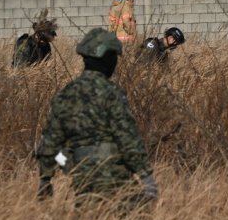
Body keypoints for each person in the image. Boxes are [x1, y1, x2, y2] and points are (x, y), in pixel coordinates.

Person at [35, 28, 157, 207]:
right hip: (116, 177)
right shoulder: (111, 93)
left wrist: (45, 179)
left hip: (80, 177)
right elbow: (128, 138)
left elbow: (50, 141)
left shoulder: (65, 94)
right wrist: (146, 177)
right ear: (108, 60)